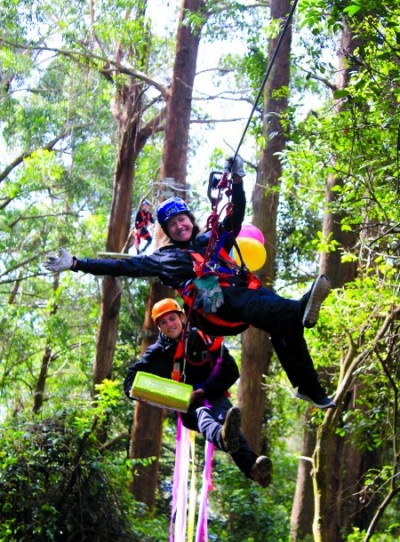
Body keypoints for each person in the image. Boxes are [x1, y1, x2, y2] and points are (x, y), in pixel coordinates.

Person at [44, 156, 335, 409]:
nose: (180, 226)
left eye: (183, 220)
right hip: (214, 307)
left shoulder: (212, 237)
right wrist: (76, 264)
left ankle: (309, 388)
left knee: (283, 324)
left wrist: (236, 180)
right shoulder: (166, 258)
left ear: (189, 219)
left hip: (243, 294)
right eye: (173, 225)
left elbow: (236, 215)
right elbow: (123, 265)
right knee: (272, 307)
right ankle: (300, 310)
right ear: (169, 231)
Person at [124, 298, 272, 487]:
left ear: (182, 317)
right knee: (204, 416)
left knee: (225, 419)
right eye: (163, 322)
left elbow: (231, 371)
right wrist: (135, 392)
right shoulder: (158, 352)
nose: (170, 325)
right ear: (159, 327)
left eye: (172, 318)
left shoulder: (203, 337)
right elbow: (132, 376)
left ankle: (254, 468)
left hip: (214, 393)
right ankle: (224, 439)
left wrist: (206, 389)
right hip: (187, 404)